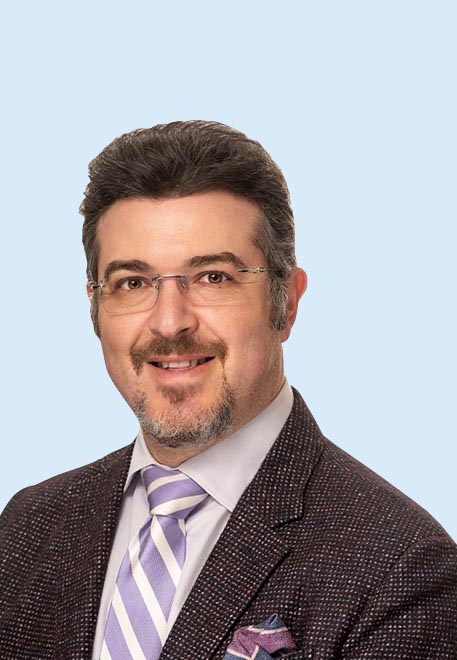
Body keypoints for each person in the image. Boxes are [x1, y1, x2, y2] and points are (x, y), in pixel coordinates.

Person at [0, 121, 456, 660]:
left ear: (287, 302)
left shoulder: (401, 567)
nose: (169, 322)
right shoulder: (27, 528)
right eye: (132, 283)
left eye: (213, 277)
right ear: (96, 309)